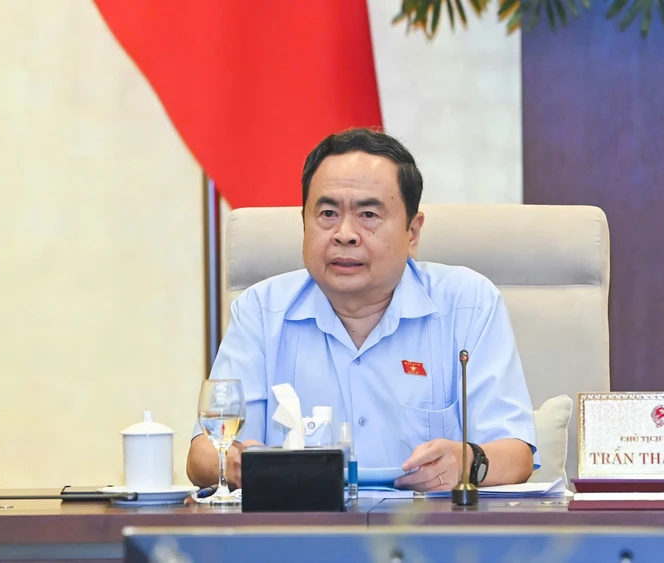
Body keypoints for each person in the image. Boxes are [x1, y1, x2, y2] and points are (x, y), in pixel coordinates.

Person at [186, 127, 538, 492]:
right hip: (302, 533)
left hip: (428, 536)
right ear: (303, 223)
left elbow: (516, 454)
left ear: (412, 232)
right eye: (327, 213)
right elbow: (201, 457)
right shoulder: (261, 311)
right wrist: (235, 464)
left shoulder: (468, 304)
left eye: (368, 214)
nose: (345, 234)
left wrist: (465, 462)